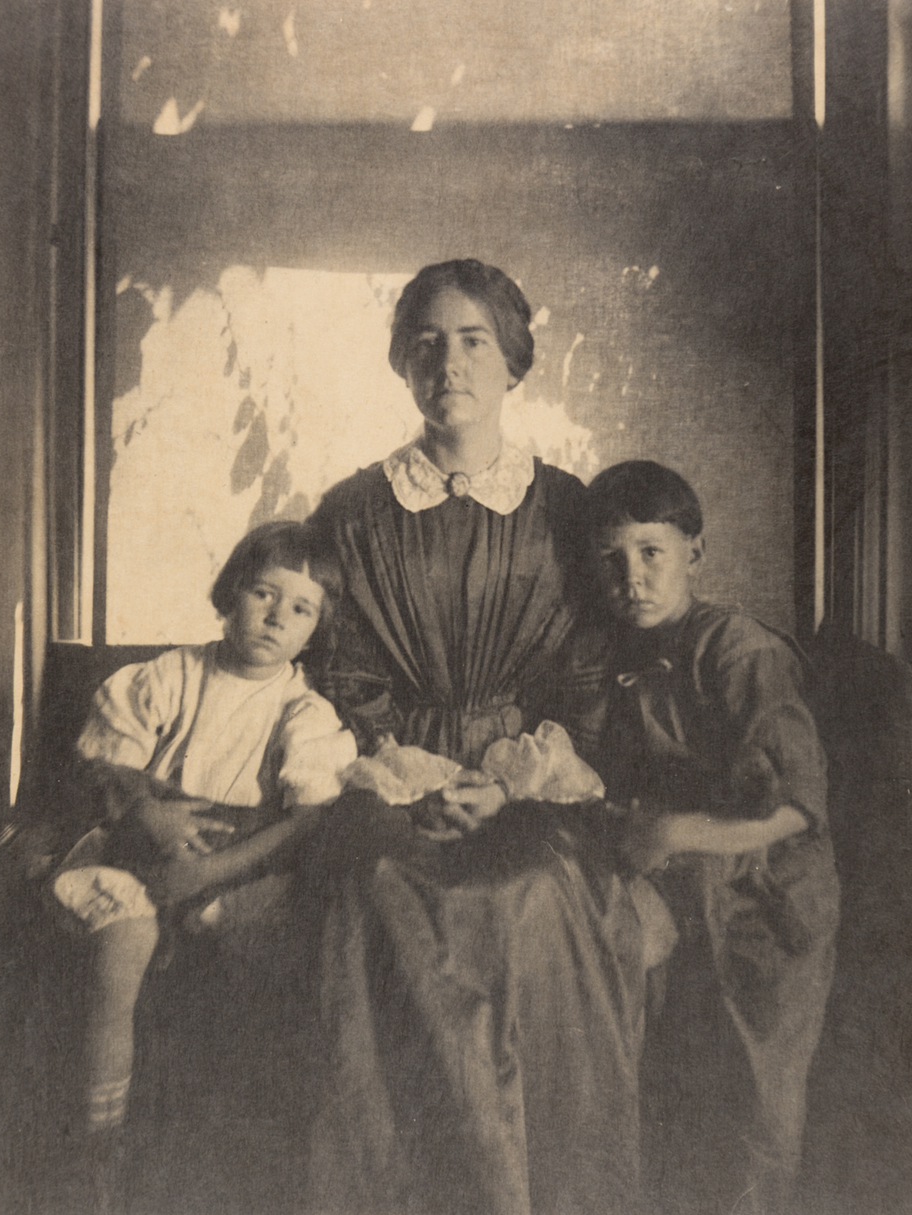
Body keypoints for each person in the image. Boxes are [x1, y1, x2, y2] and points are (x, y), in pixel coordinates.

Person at [298, 259, 656, 1215]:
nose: (447, 363)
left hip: (527, 786)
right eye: (426, 342)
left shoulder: (568, 509)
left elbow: (584, 682)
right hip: (392, 781)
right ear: (402, 365)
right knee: (373, 882)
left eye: (472, 341)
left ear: (512, 364)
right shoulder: (352, 512)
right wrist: (412, 775)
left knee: (534, 889)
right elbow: (338, 678)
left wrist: (504, 783)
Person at [567, 460, 840, 1215]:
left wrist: (676, 827)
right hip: (690, 888)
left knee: (760, 1098)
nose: (634, 577)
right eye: (612, 560)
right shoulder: (617, 655)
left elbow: (797, 808)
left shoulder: (737, 649)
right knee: (676, 1081)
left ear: (696, 550)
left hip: (772, 897)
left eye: (651, 551)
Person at [51, 521, 357, 1138]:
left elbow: (309, 818)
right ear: (230, 593)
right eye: (263, 594)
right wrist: (144, 813)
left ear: (315, 630)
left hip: (235, 867)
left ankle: (225, 1135)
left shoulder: (303, 712)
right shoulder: (169, 677)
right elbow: (102, 765)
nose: (275, 618)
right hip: (132, 850)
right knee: (126, 938)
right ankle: (100, 1131)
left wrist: (206, 874)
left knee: (284, 944)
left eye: (300, 609)